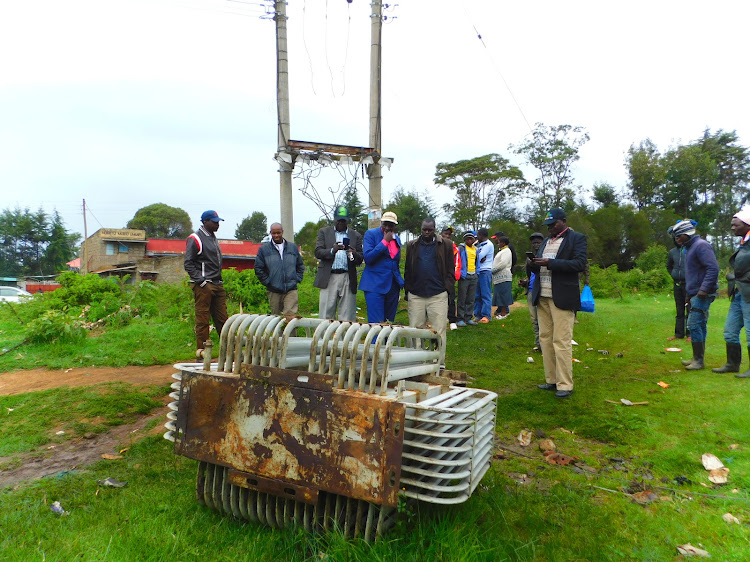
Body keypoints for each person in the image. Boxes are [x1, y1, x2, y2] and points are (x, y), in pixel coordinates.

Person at [529, 208, 588, 399]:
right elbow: (541, 266)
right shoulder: (547, 241)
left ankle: (565, 384)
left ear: (563, 221)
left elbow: (579, 264)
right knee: (545, 339)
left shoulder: (576, 238)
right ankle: (551, 380)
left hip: (562, 297)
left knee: (561, 341)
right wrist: (533, 263)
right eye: (548, 226)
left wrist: (550, 262)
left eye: (553, 224)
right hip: (543, 296)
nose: (550, 229)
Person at [672, 219, 719, 370]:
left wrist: (703, 290)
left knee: (693, 324)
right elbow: (693, 274)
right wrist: (689, 294)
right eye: (676, 237)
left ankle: (698, 361)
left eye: (679, 236)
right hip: (695, 292)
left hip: (703, 293)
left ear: (687, 234)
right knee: (699, 325)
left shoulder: (701, 246)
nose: (677, 239)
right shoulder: (690, 248)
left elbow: (713, 269)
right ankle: (697, 358)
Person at [184, 210, 229, 359]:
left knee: (224, 321)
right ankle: (202, 354)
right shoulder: (195, 238)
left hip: (217, 284)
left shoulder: (213, 237)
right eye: (214, 221)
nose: (217, 224)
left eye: (218, 222)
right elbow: (188, 264)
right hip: (204, 286)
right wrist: (202, 282)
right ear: (205, 222)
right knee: (203, 321)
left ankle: (228, 354)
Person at [404, 218, 455, 350]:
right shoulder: (412, 245)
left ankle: (438, 363)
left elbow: (451, 269)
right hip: (416, 295)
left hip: (438, 294)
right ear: (421, 229)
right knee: (415, 331)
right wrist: (408, 290)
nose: (426, 232)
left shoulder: (446, 245)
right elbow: (408, 269)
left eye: (430, 230)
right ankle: (416, 362)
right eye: (424, 230)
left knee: (439, 331)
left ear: (434, 229)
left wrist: (447, 289)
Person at [713, 211, 750, 377]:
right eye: (732, 225)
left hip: (748, 293)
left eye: (736, 224)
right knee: (730, 330)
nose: (733, 228)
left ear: (747, 225)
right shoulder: (744, 242)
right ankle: (732, 364)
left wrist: (744, 278)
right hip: (738, 293)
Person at [313, 206, 364, 321]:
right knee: (326, 314)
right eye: (339, 220)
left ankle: (345, 339)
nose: (341, 222)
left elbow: (360, 258)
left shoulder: (355, 235)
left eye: (343, 220)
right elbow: (318, 252)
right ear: (334, 219)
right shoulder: (324, 232)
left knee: (348, 316)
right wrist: (332, 250)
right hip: (329, 276)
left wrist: (353, 253)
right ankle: (324, 338)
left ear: (348, 220)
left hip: (347, 276)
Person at [359, 211, 404, 323]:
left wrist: (400, 282)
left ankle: (386, 341)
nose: (388, 227)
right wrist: (384, 242)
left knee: (389, 323)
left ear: (395, 226)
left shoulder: (397, 239)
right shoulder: (371, 234)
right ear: (381, 222)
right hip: (374, 285)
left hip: (392, 286)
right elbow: (368, 258)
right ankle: (375, 341)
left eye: (391, 225)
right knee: (377, 324)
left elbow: (394, 262)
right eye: (385, 224)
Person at [254, 222, 305, 316]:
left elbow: (300, 265)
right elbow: (258, 268)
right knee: (275, 318)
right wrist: (268, 282)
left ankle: (290, 331)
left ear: (282, 232)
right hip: (274, 290)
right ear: (270, 233)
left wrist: (296, 279)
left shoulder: (292, 248)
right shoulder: (264, 250)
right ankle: (278, 332)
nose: (276, 235)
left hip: (291, 289)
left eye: (278, 233)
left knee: (290, 317)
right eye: (274, 233)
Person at [519, 232, 544, 351]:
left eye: (538, 242)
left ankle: (545, 344)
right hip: (531, 290)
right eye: (534, 243)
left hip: (542, 291)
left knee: (543, 319)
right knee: (534, 319)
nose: (536, 245)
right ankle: (538, 344)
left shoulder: (546, 256)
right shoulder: (530, 258)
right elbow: (531, 275)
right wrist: (525, 282)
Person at [666, 233, 689, 340]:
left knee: (690, 309)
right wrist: (674, 275)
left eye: (680, 238)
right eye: (676, 238)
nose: (678, 240)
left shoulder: (690, 250)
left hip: (689, 284)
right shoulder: (672, 252)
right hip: (677, 284)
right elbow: (669, 266)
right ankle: (679, 334)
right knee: (679, 310)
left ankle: (690, 334)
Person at [440, 226, 461, 331]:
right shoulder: (436, 245)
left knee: (451, 299)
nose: (447, 236)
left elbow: (457, 264)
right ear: (441, 233)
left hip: (449, 278)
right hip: (437, 278)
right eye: (445, 233)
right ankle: (438, 320)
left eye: (449, 234)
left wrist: (453, 278)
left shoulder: (454, 248)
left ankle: (452, 320)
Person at [456, 231, 479, 326]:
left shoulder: (476, 249)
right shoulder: (461, 248)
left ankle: (468, 317)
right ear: (465, 240)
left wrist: (477, 272)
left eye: (471, 238)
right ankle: (460, 318)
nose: (470, 240)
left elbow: (477, 261)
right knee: (462, 298)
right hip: (464, 276)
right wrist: (460, 273)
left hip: (473, 275)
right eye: (468, 239)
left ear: (474, 240)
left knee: (471, 298)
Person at [473, 228, 494, 323]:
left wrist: (477, 256)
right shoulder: (480, 245)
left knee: (485, 294)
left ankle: (486, 315)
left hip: (485, 271)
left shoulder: (488, 245)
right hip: (478, 271)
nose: (477, 237)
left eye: (478, 235)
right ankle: (478, 314)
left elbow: (478, 257)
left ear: (481, 235)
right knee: (477, 295)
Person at [490, 234, 513, 319]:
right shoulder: (502, 251)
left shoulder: (507, 251)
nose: (498, 244)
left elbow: (503, 264)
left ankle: (504, 313)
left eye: (499, 242)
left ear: (503, 243)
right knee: (499, 295)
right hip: (499, 278)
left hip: (504, 277)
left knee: (503, 295)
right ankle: (501, 312)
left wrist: (492, 270)